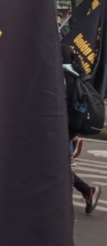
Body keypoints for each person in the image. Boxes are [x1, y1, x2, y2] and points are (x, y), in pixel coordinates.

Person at [62, 44, 101, 214]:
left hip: (60, 131)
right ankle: (87, 191)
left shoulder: (62, 77)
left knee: (53, 167)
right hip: (70, 131)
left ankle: (87, 190)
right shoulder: (77, 75)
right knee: (56, 167)